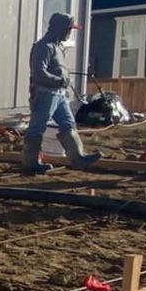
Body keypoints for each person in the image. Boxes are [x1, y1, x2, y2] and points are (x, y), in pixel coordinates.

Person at [24, 13, 101, 175]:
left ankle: (77, 158)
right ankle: (31, 163)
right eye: (68, 29)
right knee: (37, 127)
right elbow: (38, 72)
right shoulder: (44, 47)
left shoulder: (57, 47)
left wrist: (62, 83)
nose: (70, 33)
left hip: (58, 95)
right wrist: (59, 81)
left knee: (68, 123)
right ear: (60, 29)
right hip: (45, 94)